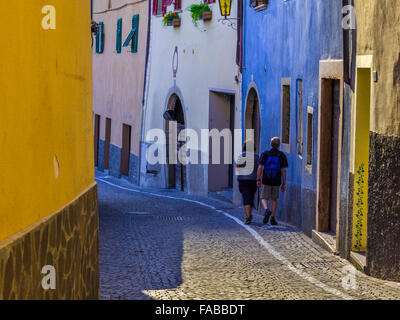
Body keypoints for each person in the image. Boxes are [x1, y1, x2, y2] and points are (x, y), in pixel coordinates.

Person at [257, 137, 288, 225]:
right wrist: (284, 183)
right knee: (274, 199)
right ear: (279, 145)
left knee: (264, 197)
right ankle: (273, 218)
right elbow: (283, 170)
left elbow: (260, 167)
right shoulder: (281, 155)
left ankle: (267, 210)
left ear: (271, 144)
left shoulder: (265, 154)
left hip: (266, 179)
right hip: (277, 179)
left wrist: (258, 179)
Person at [236, 140, 259, 225]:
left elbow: (238, 169)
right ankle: (249, 215)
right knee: (251, 197)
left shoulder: (241, 156)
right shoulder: (257, 157)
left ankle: (248, 217)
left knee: (246, 198)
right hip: (253, 180)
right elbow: (259, 168)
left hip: (243, 180)